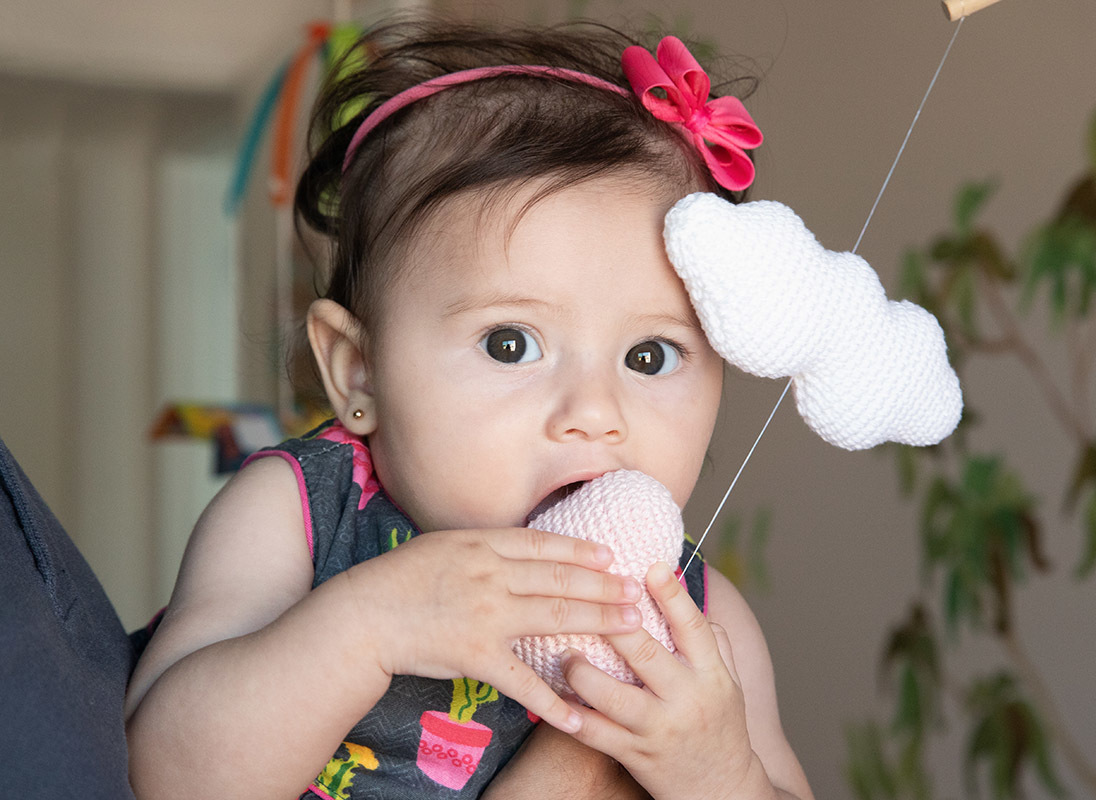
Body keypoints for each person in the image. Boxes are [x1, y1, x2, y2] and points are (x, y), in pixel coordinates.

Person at [124, 17, 813, 800]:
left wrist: (721, 773)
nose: (595, 412)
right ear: (358, 374)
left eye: (649, 356)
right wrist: (365, 627)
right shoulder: (301, 513)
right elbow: (167, 775)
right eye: (511, 344)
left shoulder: (698, 615)